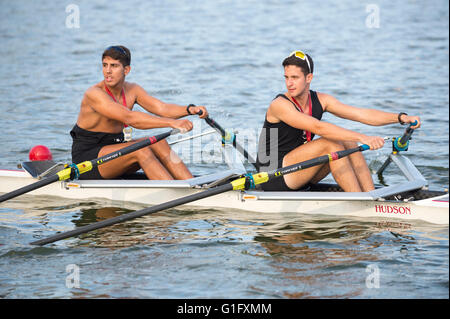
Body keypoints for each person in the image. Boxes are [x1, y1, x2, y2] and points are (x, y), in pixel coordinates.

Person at [256, 50, 421, 192]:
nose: (289, 83)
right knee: (332, 143)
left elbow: (361, 114)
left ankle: (370, 196)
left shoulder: (321, 100)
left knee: (347, 141)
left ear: (309, 78)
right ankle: (360, 202)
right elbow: (318, 127)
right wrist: (363, 137)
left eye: (294, 77)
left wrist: (401, 118)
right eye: (286, 77)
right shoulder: (279, 105)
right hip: (271, 175)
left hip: (299, 171)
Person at [70, 45, 208, 180]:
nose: (108, 71)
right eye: (105, 65)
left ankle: (192, 185)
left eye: (114, 66)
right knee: (140, 150)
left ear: (126, 70)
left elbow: (162, 108)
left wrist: (190, 109)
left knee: (158, 142)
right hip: (87, 160)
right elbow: (130, 118)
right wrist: (173, 123)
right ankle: (173, 193)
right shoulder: (94, 94)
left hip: (113, 151)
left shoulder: (132, 90)